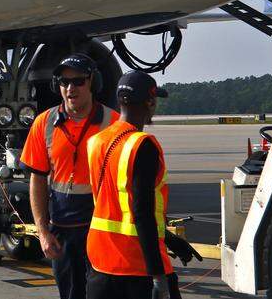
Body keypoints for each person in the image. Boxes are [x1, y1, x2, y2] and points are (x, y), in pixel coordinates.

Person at [85, 71, 200, 299]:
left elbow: (119, 207)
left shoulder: (97, 142)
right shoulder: (142, 145)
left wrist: (169, 239)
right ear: (149, 102)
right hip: (137, 266)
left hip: (101, 262)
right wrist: (158, 276)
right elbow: (141, 212)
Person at [20, 53, 119, 299]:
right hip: (62, 230)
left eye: (78, 81)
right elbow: (38, 179)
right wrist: (43, 232)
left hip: (100, 229)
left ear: (93, 83)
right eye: (64, 82)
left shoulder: (113, 123)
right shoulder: (44, 123)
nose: (70, 88)